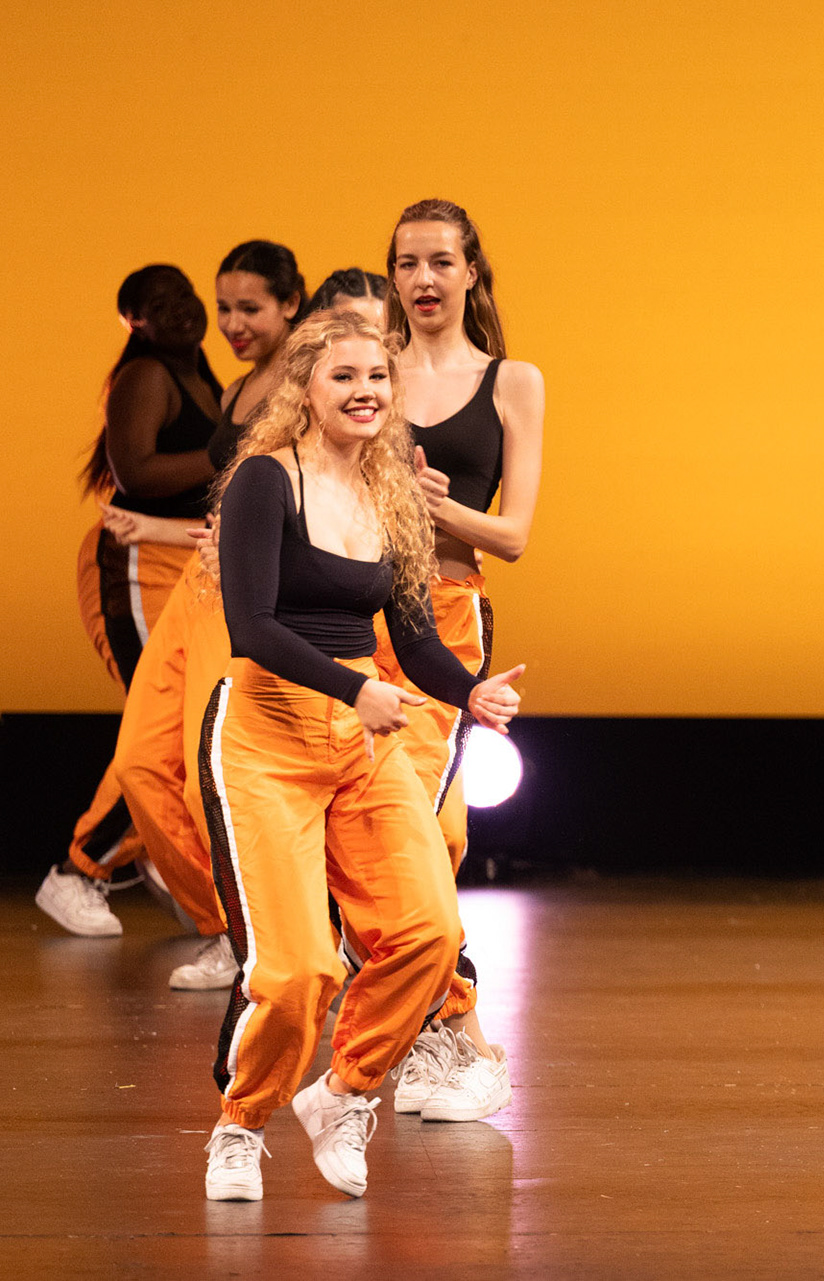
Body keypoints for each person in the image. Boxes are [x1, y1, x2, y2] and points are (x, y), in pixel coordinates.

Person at [198, 309, 524, 1201]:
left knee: (429, 932)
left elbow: (413, 640)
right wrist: (353, 689)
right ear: (305, 387)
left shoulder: (392, 492)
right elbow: (252, 626)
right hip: (266, 731)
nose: (364, 392)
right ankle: (239, 1125)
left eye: (377, 377)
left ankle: (342, 1093)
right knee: (298, 970)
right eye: (343, 376)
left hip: (361, 737)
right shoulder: (267, 480)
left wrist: (471, 692)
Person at [99, 244, 309, 981]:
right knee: (140, 766)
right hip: (198, 583)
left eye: (250, 308)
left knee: (207, 776)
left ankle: (253, 937)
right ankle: (231, 924)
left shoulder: (309, 380)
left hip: (249, 595)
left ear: (291, 303)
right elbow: (227, 513)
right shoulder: (237, 389)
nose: (232, 323)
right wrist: (158, 531)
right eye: (225, 308)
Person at [377, 200, 544, 1123]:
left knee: (422, 830)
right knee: (395, 833)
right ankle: (440, 1034)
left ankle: (462, 1040)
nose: (424, 280)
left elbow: (512, 535)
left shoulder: (512, 381)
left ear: (471, 271)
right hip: (358, 615)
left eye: (441, 261)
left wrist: (434, 507)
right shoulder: (371, 371)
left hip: (445, 616)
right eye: (408, 264)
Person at [38, 266, 222, 938]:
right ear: (134, 323)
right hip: (136, 561)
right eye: (156, 304)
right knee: (165, 727)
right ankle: (79, 870)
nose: (178, 309)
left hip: (187, 559)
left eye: (184, 294)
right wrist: (230, 451)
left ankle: (152, 852)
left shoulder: (204, 377)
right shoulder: (146, 375)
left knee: (190, 724)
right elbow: (136, 471)